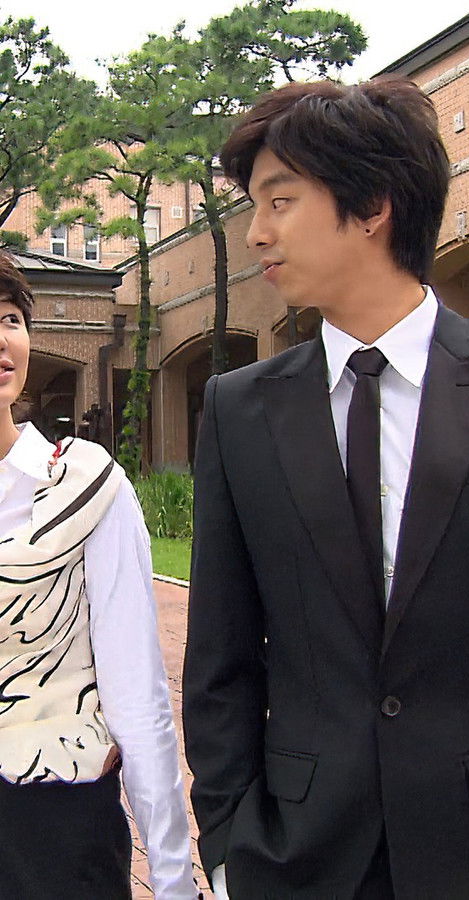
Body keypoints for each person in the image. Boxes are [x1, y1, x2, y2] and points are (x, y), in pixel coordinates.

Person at [183, 75, 469, 899]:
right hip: (303, 857)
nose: (257, 232)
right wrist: (229, 847)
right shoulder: (238, 409)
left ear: (372, 205)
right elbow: (219, 658)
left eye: (280, 201)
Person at [0, 255, 197, 899]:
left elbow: (137, 692)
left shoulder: (85, 487)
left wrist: (171, 876)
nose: (1, 337)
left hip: (55, 825)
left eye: (10, 318)